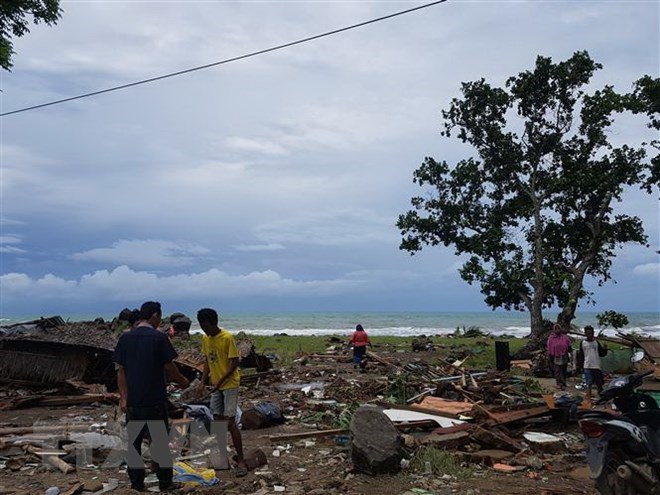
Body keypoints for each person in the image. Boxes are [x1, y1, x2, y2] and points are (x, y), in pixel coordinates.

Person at [113, 301, 190, 492]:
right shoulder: (158, 338)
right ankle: (165, 483)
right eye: (159, 316)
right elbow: (169, 366)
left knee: (134, 444)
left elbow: (120, 371)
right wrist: (182, 381)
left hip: (134, 402)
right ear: (154, 315)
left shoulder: (125, 338)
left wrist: (123, 397)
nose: (160, 320)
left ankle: (137, 484)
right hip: (155, 400)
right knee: (160, 443)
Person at [196, 307, 247, 477]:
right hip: (216, 386)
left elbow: (234, 363)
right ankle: (222, 459)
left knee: (231, 422)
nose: (204, 329)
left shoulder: (226, 338)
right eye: (201, 326)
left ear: (212, 323)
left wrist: (221, 381)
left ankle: (241, 461)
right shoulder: (205, 338)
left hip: (229, 384)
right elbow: (207, 361)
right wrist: (203, 381)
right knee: (217, 421)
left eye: (205, 326)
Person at [577, 325, 608, 402]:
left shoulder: (596, 343)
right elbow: (581, 355)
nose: (590, 335)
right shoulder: (583, 343)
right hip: (587, 365)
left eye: (591, 333)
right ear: (585, 334)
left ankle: (602, 397)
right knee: (589, 383)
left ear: (593, 333)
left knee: (599, 383)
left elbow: (601, 354)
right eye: (588, 333)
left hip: (596, 365)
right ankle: (589, 398)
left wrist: (605, 349)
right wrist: (580, 367)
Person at [546, 323, 571, 390]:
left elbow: (569, 346)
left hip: (564, 356)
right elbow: (549, 347)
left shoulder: (565, 338)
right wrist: (550, 356)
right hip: (555, 357)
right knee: (557, 371)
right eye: (556, 329)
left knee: (563, 370)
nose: (557, 330)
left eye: (558, 328)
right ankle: (559, 383)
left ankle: (563, 383)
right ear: (553, 330)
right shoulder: (551, 338)